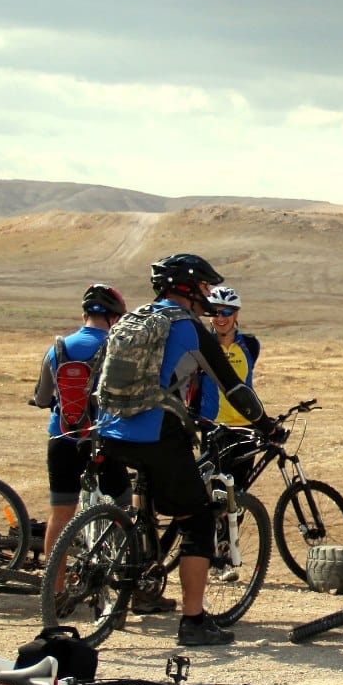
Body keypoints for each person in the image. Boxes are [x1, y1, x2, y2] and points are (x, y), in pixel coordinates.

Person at [90, 253, 279, 647]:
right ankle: (193, 621)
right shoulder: (190, 328)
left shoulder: (132, 319)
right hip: (157, 435)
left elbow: (99, 376)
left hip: (108, 432)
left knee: (143, 503)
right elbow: (235, 388)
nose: (209, 294)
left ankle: (136, 575)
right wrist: (267, 425)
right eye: (206, 287)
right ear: (189, 288)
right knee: (198, 520)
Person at [32, 283, 126, 560]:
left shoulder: (58, 349)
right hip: (103, 439)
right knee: (123, 508)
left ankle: (55, 591)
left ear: (84, 315)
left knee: (60, 516)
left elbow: (41, 398)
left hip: (62, 437)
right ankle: (129, 584)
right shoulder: (117, 349)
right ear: (114, 318)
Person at [195, 286, 260, 427]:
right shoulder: (200, 345)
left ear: (235, 314)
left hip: (247, 423)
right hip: (213, 425)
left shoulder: (250, 344)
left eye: (227, 312)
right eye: (215, 312)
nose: (220, 318)